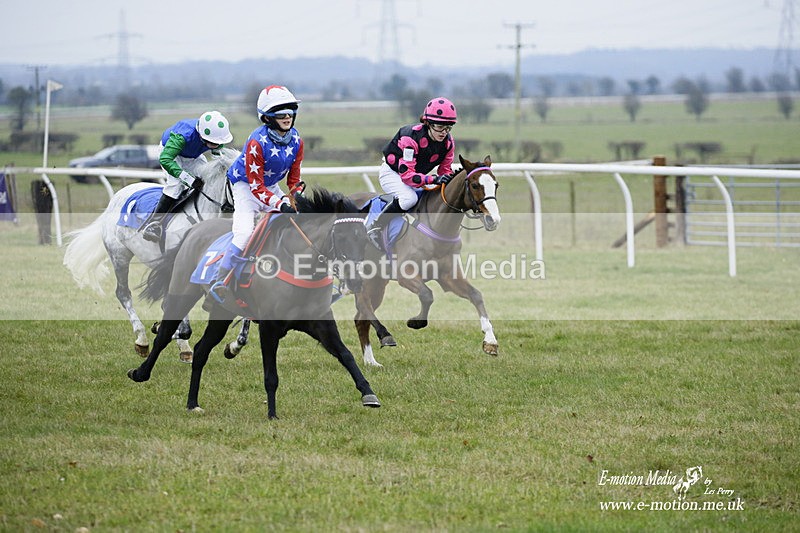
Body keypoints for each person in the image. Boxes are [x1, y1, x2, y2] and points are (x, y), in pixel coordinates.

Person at [208, 85, 305, 303]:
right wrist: (280, 204)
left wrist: (296, 197)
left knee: (298, 225)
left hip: (269, 185)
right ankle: (220, 280)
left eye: (290, 110)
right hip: (245, 186)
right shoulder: (256, 142)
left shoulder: (297, 140)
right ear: (267, 117)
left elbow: (294, 180)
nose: (287, 116)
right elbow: (256, 187)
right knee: (244, 234)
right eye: (280, 112)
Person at [366, 97, 457, 245]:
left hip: (416, 175)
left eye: (448, 128)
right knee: (409, 199)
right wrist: (433, 179)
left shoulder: (448, 143)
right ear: (428, 123)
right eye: (440, 127)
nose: (444, 132)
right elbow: (407, 175)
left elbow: (445, 170)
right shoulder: (410, 137)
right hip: (393, 173)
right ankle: (375, 226)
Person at [141, 110, 234, 242]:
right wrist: (187, 178)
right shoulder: (183, 136)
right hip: (171, 155)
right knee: (175, 185)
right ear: (202, 136)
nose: (215, 146)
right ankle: (153, 224)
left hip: (192, 156)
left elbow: (218, 153)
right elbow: (165, 159)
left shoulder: (216, 137)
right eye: (212, 143)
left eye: (218, 143)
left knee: (206, 177)